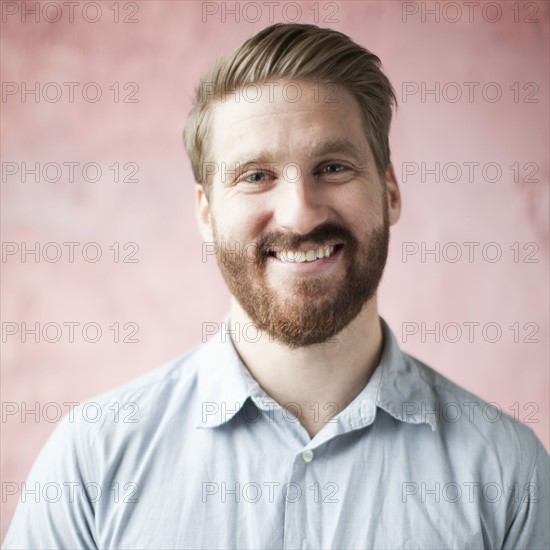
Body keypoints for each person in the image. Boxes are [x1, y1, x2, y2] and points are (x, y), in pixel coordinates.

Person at [4, 23, 548, 549]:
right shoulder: (92, 460)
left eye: (333, 167)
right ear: (206, 212)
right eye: (256, 176)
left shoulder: (509, 472)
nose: (300, 215)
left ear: (390, 191)